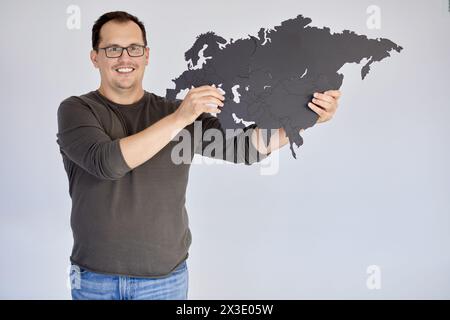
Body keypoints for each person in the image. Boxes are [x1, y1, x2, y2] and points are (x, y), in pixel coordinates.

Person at [56, 11, 341, 300]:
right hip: (94, 280)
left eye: (134, 48)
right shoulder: (77, 110)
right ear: (95, 57)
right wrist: (180, 119)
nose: (125, 58)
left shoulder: (175, 112)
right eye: (113, 49)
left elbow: (245, 148)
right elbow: (107, 163)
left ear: (146, 55)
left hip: (164, 281)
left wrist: (306, 118)